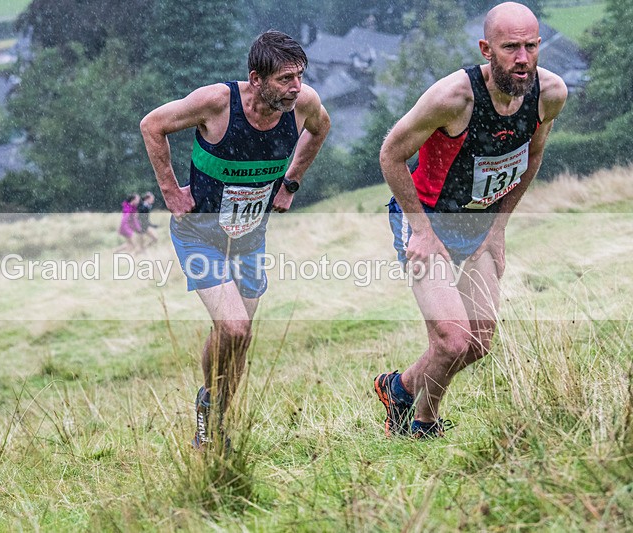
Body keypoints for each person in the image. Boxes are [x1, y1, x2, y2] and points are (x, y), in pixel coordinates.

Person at [374, 2, 568, 439]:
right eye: (510, 47)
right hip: (429, 222)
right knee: (452, 340)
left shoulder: (550, 94)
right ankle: (421, 425)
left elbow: (531, 155)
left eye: (531, 46)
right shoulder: (453, 97)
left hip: (480, 227)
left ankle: (400, 390)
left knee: (478, 344)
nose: (523, 58)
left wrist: (499, 227)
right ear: (486, 49)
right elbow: (390, 154)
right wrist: (421, 230)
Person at [140, 30, 330, 449]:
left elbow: (320, 130)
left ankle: (215, 424)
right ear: (256, 78)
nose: (295, 87)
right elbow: (152, 125)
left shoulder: (304, 105)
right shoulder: (217, 103)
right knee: (235, 327)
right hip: (199, 235)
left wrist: (291, 183)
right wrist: (171, 191)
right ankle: (209, 417)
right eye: (285, 79)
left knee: (237, 342)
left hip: (249, 239)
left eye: (299, 76)